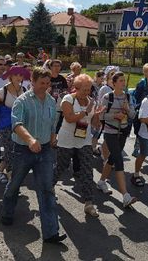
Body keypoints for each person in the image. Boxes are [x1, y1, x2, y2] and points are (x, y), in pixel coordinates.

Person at [1, 67, 66, 244]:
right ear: (33, 81)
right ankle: (6, 212)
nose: (45, 86)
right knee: (15, 184)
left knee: (46, 189)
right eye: (41, 83)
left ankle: (51, 232)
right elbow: (17, 124)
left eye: (47, 83)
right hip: (23, 150)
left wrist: (53, 136)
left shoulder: (52, 101)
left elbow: (53, 122)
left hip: (45, 150)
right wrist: (30, 140)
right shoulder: (22, 101)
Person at [54, 74, 105, 217]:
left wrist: (98, 117)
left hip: (84, 139)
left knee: (88, 170)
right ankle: (48, 188)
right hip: (66, 139)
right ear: (76, 88)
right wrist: (86, 111)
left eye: (89, 89)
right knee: (61, 166)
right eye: (84, 90)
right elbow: (69, 118)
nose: (87, 92)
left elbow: (95, 124)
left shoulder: (91, 102)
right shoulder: (68, 99)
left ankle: (89, 203)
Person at [97, 72, 137, 208]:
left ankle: (101, 181)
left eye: (124, 80)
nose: (123, 83)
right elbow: (101, 116)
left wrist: (126, 109)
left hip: (123, 131)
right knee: (119, 160)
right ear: (113, 83)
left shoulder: (128, 96)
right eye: (120, 81)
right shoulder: (108, 97)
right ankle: (125, 196)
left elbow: (133, 115)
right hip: (110, 132)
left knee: (113, 159)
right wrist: (115, 115)